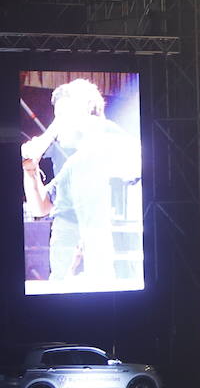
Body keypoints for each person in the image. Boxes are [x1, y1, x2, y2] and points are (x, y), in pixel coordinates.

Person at [20, 77, 141, 286]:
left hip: (106, 286)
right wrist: (30, 169)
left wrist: (53, 131)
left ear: (81, 111)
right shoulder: (74, 164)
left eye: (60, 116)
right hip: (66, 286)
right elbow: (41, 207)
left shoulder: (114, 141)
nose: (56, 124)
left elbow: (135, 164)